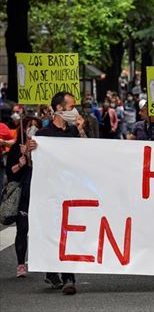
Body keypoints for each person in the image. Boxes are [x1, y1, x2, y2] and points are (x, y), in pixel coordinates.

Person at [33, 91, 86, 295]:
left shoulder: (73, 131)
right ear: (58, 108)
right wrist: (31, 150)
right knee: (52, 231)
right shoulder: (43, 135)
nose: (74, 111)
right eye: (71, 107)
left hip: (70, 190)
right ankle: (52, 269)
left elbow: (86, 155)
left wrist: (81, 130)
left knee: (68, 232)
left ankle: (69, 278)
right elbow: (37, 163)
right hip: (50, 192)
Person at [6, 117, 39, 278]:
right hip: (24, 194)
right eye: (29, 126)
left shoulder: (42, 148)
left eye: (35, 126)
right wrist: (21, 163)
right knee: (23, 228)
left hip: (40, 193)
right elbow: (10, 173)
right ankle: (20, 263)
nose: (32, 129)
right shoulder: (16, 149)